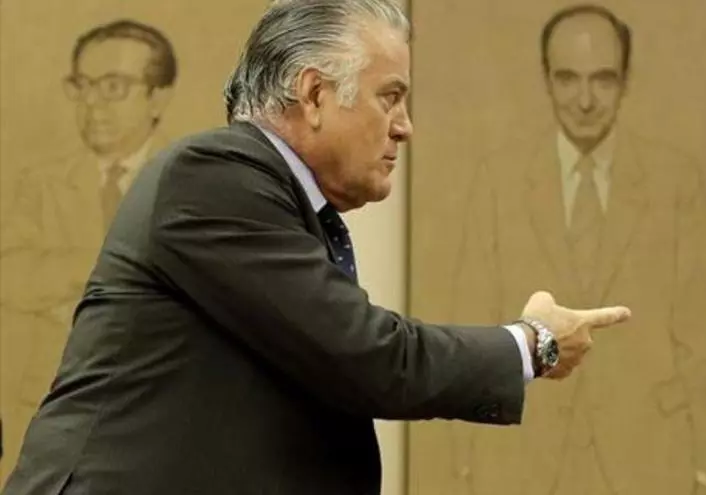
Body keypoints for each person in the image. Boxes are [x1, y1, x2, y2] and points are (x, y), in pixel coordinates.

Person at [0, 1, 630, 494]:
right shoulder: (213, 175)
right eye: (390, 96)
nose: (405, 126)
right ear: (314, 94)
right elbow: (369, 358)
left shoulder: (270, 198)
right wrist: (533, 344)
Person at [444, 4, 706, 494]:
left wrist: (702, 467)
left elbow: (702, 336)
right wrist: (464, 464)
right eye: (567, 78)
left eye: (603, 79)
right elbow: (466, 329)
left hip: (648, 456)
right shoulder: (499, 180)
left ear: (625, 80)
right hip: (519, 457)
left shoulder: (675, 182)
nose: (585, 100)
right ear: (546, 79)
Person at [0, 19, 176, 479]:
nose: (92, 104)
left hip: (160, 408)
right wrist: (116, 266)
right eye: (83, 86)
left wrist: (62, 285)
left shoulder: (192, 183)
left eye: (113, 87)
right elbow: (11, 277)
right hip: (51, 406)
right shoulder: (40, 186)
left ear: (157, 97)